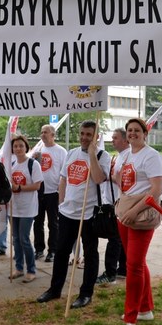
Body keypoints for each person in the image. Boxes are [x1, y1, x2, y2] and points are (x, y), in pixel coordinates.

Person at [36, 120, 110, 309]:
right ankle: (54, 289)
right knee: (61, 252)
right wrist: (61, 204)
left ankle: (86, 293)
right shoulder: (71, 153)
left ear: (96, 137)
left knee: (90, 254)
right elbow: (64, 179)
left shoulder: (103, 155)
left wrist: (92, 154)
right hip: (68, 212)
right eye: (82, 134)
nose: (85, 138)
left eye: (89, 135)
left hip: (89, 214)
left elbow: (99, 178)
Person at [116, 118, 162, 325]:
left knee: (133, 266)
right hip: (124, 213)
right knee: (137, 262)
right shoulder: (125, 155)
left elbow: (156, 189)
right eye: (129, 130)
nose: (132, 133)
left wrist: (134, 211)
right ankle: (145, 308)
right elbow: (121, 180)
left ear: (145, 133)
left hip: (141, 216)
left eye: (137, 130)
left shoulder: (151, 155)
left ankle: (131, 318)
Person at [96, 128, 129, 285]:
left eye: (115, 138)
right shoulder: (118, 156)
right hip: (112, 201)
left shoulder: (127, 156)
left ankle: (110, 273)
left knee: (114, 239)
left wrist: (109, 176)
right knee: (120, 238)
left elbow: (121, 180)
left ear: (124, 140)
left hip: (119, 202)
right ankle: (122, 269)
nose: (112, 140)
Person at [8, 135, 43, 283]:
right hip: (13, 207)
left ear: (26, 147)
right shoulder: (11, 164)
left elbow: (37, 186)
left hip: (28, 208)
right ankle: (19, 268)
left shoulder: (33, 164)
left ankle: (31, 270)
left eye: (21, 146)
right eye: (15, 146)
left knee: (24, 239)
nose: (18, 149)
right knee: (15, 239)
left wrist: (19, 187)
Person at [32, 124, 67, 263]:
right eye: (41, 132)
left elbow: (64, 173)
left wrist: (61, 191)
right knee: (37, 222)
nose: (43, 134)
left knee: (53, 223)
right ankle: (39, 249)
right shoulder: (38, 150)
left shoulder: (61, 151)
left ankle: (53, 250)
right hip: (39, 192)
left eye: (46, 132)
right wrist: (33, 159)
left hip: (53, 192)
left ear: (53, 135)